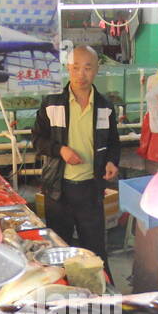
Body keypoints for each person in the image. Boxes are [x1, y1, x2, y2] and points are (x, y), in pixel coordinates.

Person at [30, 44, 121, 277]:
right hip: (58, 191)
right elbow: (37, 140)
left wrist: (112, 161)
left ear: (97, 69)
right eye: (76, 68)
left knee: (95, 250)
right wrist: (60, 150)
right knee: (59, 250)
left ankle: (101, 296)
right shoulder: (52, 103)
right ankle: (62, 297)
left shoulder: (105, 107)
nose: (82, 74)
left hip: (91, 191)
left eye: (88, 68)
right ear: (68, 69)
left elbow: (113, 142)